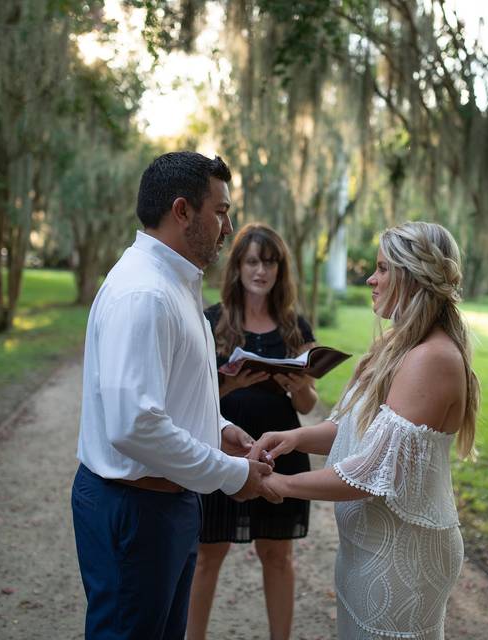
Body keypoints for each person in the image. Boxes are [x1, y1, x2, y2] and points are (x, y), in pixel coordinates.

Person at [71, 151, 279, 640]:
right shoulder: (144, 293)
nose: (229, 226)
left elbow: (168, 393)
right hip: (137, 509)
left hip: (168, 505)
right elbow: (135, 424)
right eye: (221, 211)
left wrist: (218, 431)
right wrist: (232, 475)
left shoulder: (174, 281)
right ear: (183, 211)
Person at [251, 221, 480, 639]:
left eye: (382, 268)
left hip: (402, 556)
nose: (371, 279)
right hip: (369, 550)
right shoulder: (392, 348)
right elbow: (351, 429)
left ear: (413, 276)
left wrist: (282, 485)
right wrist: (296, 438)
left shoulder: (432, 359)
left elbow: (372, 471)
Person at [186, 223, 318, 640]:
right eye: (252, 261)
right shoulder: (212, 321)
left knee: (276, 554)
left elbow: (308, 406)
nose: (262, 270)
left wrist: (299, 387)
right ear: (238, 267)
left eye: (270, 262)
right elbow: (193, 396)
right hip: (225, 447)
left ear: (281, 269)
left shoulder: (294, 326)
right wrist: (230, 385)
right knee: (208, 554)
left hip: (281, 449)